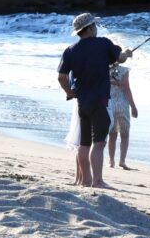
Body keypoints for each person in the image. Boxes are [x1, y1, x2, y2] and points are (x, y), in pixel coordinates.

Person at [56, 12, 132, 189]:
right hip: (100, 101)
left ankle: (85, 180)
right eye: (95, 26)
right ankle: (97, 181)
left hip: (82, 102)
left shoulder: (70, 50)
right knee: (99, 143)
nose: (96, 29)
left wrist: (71, 93)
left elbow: (61, 77)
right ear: (90, 28)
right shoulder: (103, 43)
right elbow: (119, 58)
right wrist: (127, 53)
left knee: (84, 143)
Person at [106, 63, 139, 170]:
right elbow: (127, 89)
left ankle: (111, 161)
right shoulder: (124, 70)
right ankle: (122, 160)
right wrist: (133, 107)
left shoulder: (103, 68)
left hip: (110, 104)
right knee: (125, 135)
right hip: (122, 105)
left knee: (112, 135)